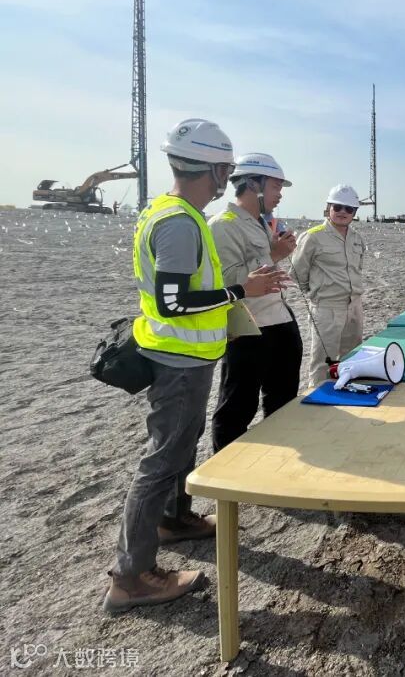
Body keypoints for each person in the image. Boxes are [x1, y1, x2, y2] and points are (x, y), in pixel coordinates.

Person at [105, 119, 286, 614]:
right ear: (213, 170)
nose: (227, 178)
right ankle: (131, 577)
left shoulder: (170, 212)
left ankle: (175, 519)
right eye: (225, 169)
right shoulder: (181, 223)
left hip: (185, 354)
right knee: (162, 460)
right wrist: (241, 290)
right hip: (178, 359)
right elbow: (172, 302)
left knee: (180, 447)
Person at [209, 153, 302, 451]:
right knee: (237, 408)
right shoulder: (223, 225)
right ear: (253, 185)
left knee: (283, 403)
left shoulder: (260, 223)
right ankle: (224, 471)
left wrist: (275, 252)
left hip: (279, 321)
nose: (280, 194)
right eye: (275, 186)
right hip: (249, 330)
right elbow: (227, 282)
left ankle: (276, 459)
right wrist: (273, 255)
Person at [292, 184, 367, 389]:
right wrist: (318, 295)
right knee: (323, 362)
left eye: (348, 208)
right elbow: (297, 273)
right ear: (328, 208)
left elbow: (357, 269)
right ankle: (319, 398)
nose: (343, 212)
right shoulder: (313, 236)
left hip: (354, 306)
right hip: (327, 307)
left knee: (352, 358)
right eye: (338, 207)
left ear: (354, 212)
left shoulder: (357, 238)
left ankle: (347, 394)